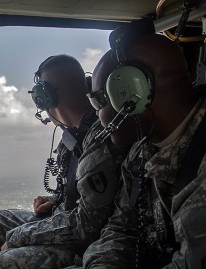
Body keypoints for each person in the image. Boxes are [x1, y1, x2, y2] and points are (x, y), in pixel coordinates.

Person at [0, 55, 130, 268]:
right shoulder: (74, 134)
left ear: (45, 97)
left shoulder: (99, 139)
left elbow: (86, 224)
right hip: (62, 216)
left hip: (81, 242)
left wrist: (17, 237)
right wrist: (56, 198)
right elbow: (86, 191)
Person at [82, 18, 206, 268]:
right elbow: (120, 229)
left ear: (131, 94)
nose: (97, 115)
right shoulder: (141, 153)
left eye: (98, 101)